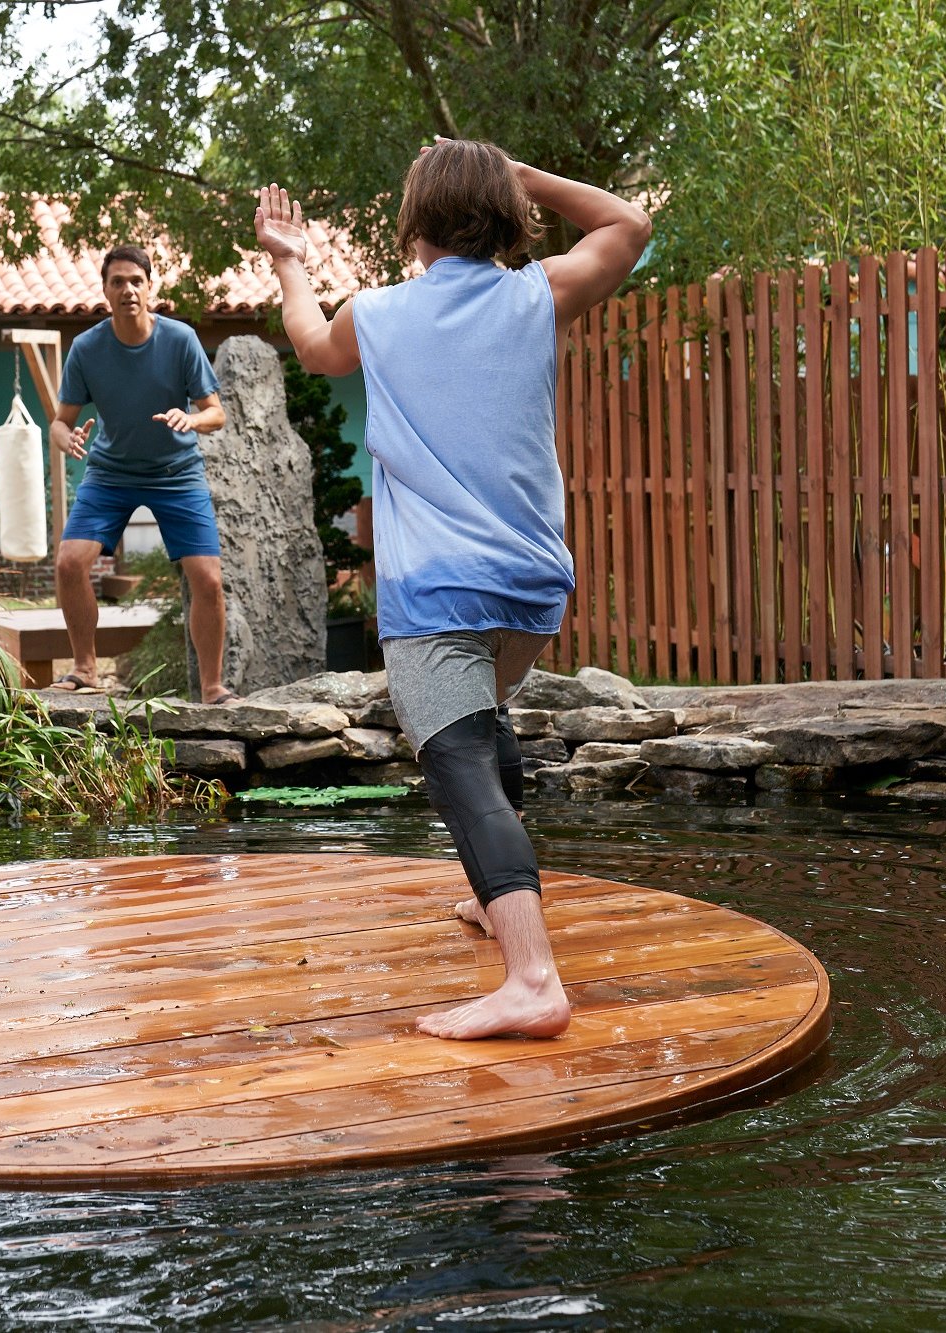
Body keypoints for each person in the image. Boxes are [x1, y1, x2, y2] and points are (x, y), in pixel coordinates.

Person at [255, 140, 650, 1040]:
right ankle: (494, 901)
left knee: (460, 761)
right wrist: (531, 176)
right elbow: (628, 223)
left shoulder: (382, 313)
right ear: (504, 214)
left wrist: (288, 261)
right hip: (533, 588)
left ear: (415, 223)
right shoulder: (536, 295)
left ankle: (532, 979)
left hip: (437, 590)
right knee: (486, 724)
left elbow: (313, 348)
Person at [49, 245, 236, 704]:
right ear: (106, 291)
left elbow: (217, 414)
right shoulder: (88, 349)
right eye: (118, 282)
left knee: (208, 579)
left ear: (150, 288)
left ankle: (212, 687)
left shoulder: (180, 340)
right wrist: (67, 439)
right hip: (111, 472)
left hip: (177, 472)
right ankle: (85, 668)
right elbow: (60, 420)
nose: (128, 289)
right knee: (69, 563)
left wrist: (190, 420)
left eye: (136, 280)